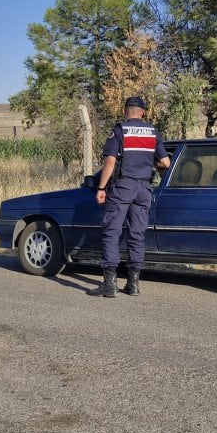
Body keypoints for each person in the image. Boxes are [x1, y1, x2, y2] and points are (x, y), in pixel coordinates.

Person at [93, 97, 170, 298]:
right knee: (137, 234)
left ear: (125, 110)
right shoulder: (153, 132)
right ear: (142, 113)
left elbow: (110, 162)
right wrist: (151, 166)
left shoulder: (120, 130)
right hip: (144, 188)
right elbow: (166, 162)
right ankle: (133, 284)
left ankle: (109, 285)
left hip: (123, 186)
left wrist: (101, 187)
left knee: (111, 232)